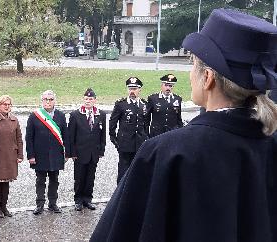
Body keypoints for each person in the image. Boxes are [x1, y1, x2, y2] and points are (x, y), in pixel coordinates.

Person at [91, 9, 277, 241]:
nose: (190, 75)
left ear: (207, 77)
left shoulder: (168, 153)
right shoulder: (270, 143)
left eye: (193, 64)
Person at [25, 90, 68, 215]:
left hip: (56, 154)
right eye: (45, 99)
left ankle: (53, 204)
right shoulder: (34, 116)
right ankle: (39, 204)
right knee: (40, 180)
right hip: (40, 155)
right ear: (42, 101)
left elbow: (66, 135)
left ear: (55, 101)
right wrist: (31, 155)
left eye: (50, 99)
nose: (48, 102)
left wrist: (67, 153)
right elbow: (29, 137)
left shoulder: (60, 115)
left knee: (54, 180)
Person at [68, 88, 106, 211]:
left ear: (95, 100)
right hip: (79, 152)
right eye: (86, 99)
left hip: (93, 152)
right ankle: (78, 200)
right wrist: (72, 152)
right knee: (79, 177)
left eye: (90, 99)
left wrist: (101, 150)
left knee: (90, 177)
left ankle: (87, 199)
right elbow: (71, 136)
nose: (88, 101)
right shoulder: (75, 115)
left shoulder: (101, 114)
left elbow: (102, 134)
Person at [108, 77, 148, 183]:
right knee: (123, 172)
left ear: (140, 90)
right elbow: (112, 125)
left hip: (139, 143)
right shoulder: (121, 104)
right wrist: (116, 141)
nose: (132, 91)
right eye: (130, 89)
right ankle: (121, 196)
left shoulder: (144, 104)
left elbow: (146, 124)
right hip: (125, 144)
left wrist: (145, 138)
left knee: (138, 171)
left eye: (135, 89)